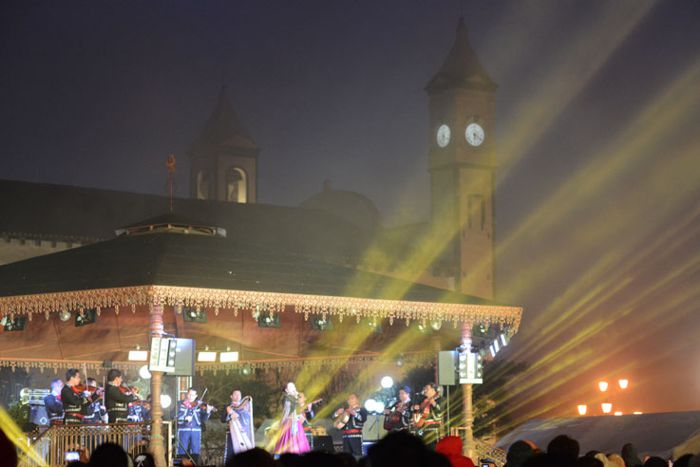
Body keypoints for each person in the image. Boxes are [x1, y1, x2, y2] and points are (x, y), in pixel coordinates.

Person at [177, 388, 213, 462]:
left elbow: (204, 419)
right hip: (183, 429)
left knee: (195, 450)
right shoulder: (180, 403)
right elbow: (175, 416)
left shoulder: (200, 405)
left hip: (196, 430)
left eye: (193, 395)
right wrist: (184, 418)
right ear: (187, 394)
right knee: (182, 450)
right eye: (189, 394)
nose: (190, 396)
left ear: (196, 396)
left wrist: (208, 411)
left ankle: (194, 464)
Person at [274, 382, 311, 455]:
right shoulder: (289, 398)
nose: (294, 389)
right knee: (289, 439)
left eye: (293, 387)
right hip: (290, 423)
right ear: (287, 390)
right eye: (291, 388)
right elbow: (291, 411)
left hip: (295, 422)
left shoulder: (293, 398)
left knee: (298, 440)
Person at [221, 389, 254, 464]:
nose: (238, 396)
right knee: (230, 453)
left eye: (239, 394)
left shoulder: (245, 407)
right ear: (231, 396)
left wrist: (246, 412)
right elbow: (222, 419)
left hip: (243, 433)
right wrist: (230, 416)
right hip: (231, 433)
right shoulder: (227, 407)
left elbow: (248, 420)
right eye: (235, 394)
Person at [333, 393, 368, 459]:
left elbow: (363, 419)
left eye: (352, 398)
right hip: (345, 436)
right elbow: (335, 422)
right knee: (346, 457)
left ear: (357, 400)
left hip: (356, 436)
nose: (350, 400)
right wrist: (336, 413)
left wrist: (354, 413)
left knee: (357, 456)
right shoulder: (345, 411)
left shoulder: (362, 409)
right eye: (349, 399)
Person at [411, 383, 444, 449]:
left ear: (433, 390)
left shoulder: (440, 399)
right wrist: (415, 407)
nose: (425, 390)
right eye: (424, 388)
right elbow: (415, 409)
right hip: (421, 427)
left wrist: (434, 404)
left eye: (427, 388)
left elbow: (440, 412)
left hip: (432, 429)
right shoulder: (423, 400)